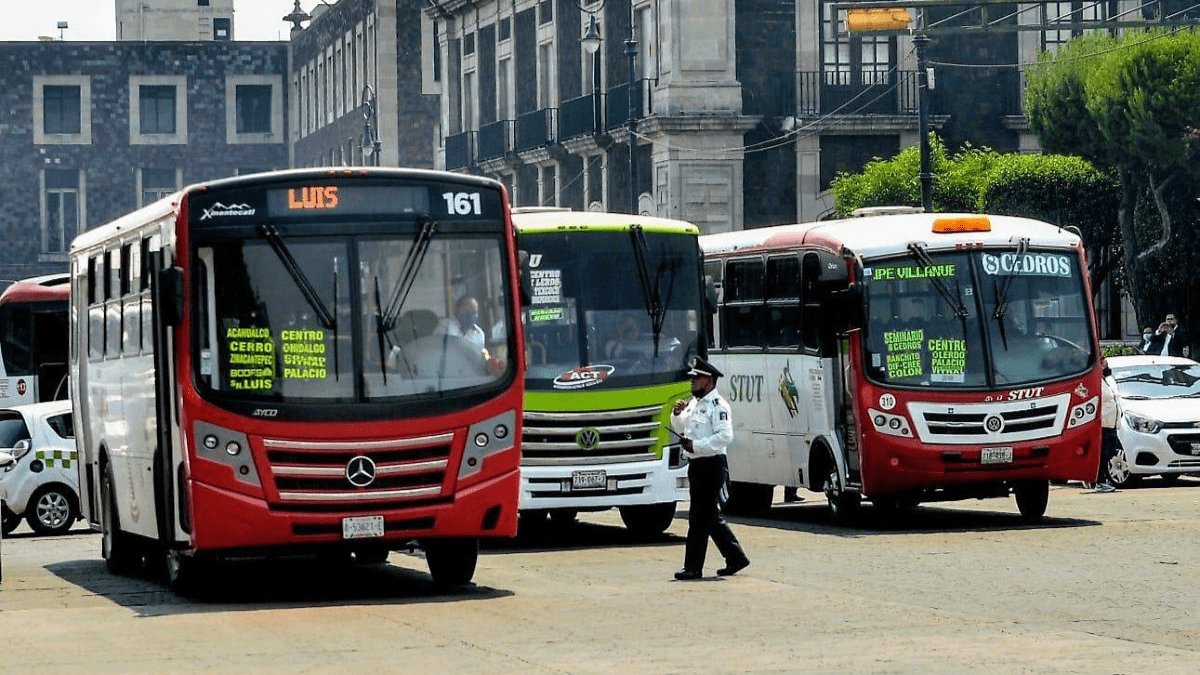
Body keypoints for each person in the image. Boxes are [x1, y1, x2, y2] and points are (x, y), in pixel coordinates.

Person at [670, 357, 750, 580]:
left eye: (696, 378)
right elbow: (683, 426)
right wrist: (677, 415)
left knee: (698, 518)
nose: (692, 382)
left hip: (712, 465)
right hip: (696, 465)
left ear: (708, 380)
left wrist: (696, 446)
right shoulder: (695, 403)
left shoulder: (719, 406)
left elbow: (725, 436)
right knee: (709, 517)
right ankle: (736, 557)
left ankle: (693, 567)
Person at [1084, 363, 1119, 493]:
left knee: (1110, 450)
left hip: (1113, 422)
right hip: (1101, 423)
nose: (1104, 363)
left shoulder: (1109, 379)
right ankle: (1100, 481)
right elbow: (1082, 392)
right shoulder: (1093, 380)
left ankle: (1095, 478)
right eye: (1102, 361)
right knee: (1102, 453)